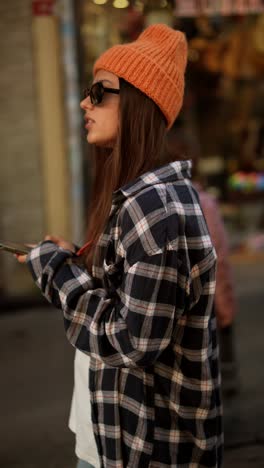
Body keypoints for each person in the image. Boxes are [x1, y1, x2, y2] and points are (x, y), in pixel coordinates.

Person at [17, 24, 223, 467]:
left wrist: (56, 272)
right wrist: (81, 258)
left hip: (145, 449)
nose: (83, 102)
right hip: (107, 432)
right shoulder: (141, 197)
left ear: (138, 102)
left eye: (99, 91)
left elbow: (133, 342)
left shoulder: (155, 208)